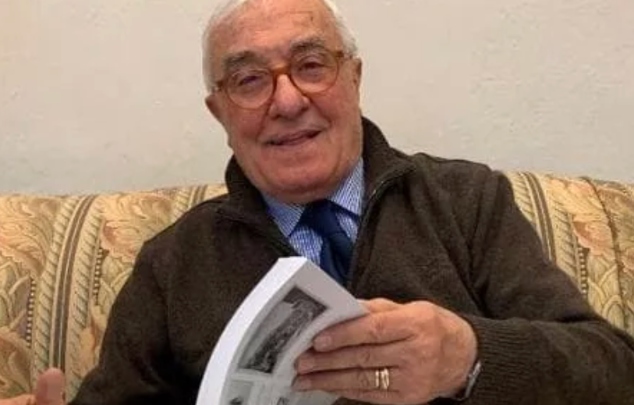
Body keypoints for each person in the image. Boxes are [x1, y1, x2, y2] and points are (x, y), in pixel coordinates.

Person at [3, 0, 634, 404]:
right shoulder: (174, 261)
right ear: (219, 112)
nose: (286, 101)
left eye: (310, 65)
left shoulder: (466, 200)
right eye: (249, 80)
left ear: (353, 77)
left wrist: (467, 357)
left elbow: (613, 369)